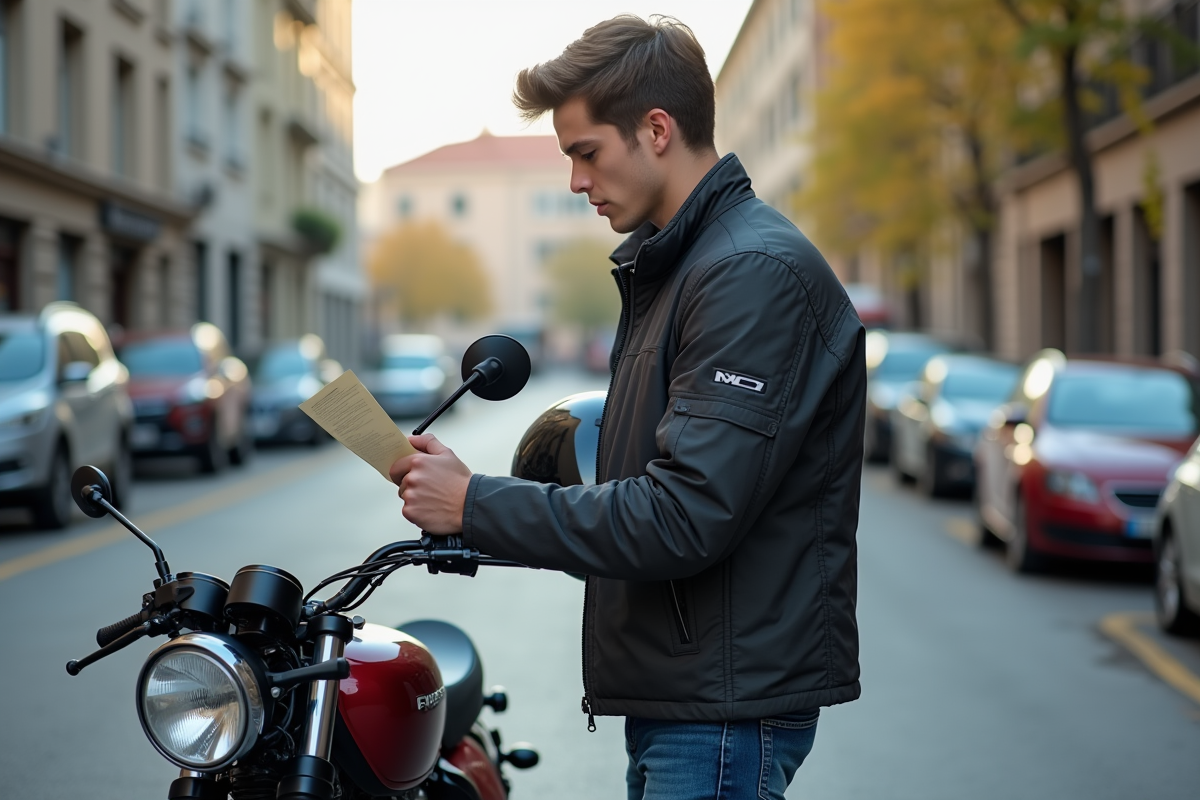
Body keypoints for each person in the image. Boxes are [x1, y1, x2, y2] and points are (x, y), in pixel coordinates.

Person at [390, 15, 865, 800]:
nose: (576, 182)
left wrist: (475, 505)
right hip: (691, 694)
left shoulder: (747, 273)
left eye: (586, 153)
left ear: (655, 129)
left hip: (722, 710)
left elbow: (685, 513)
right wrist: (478, 507)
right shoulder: (680, 266)